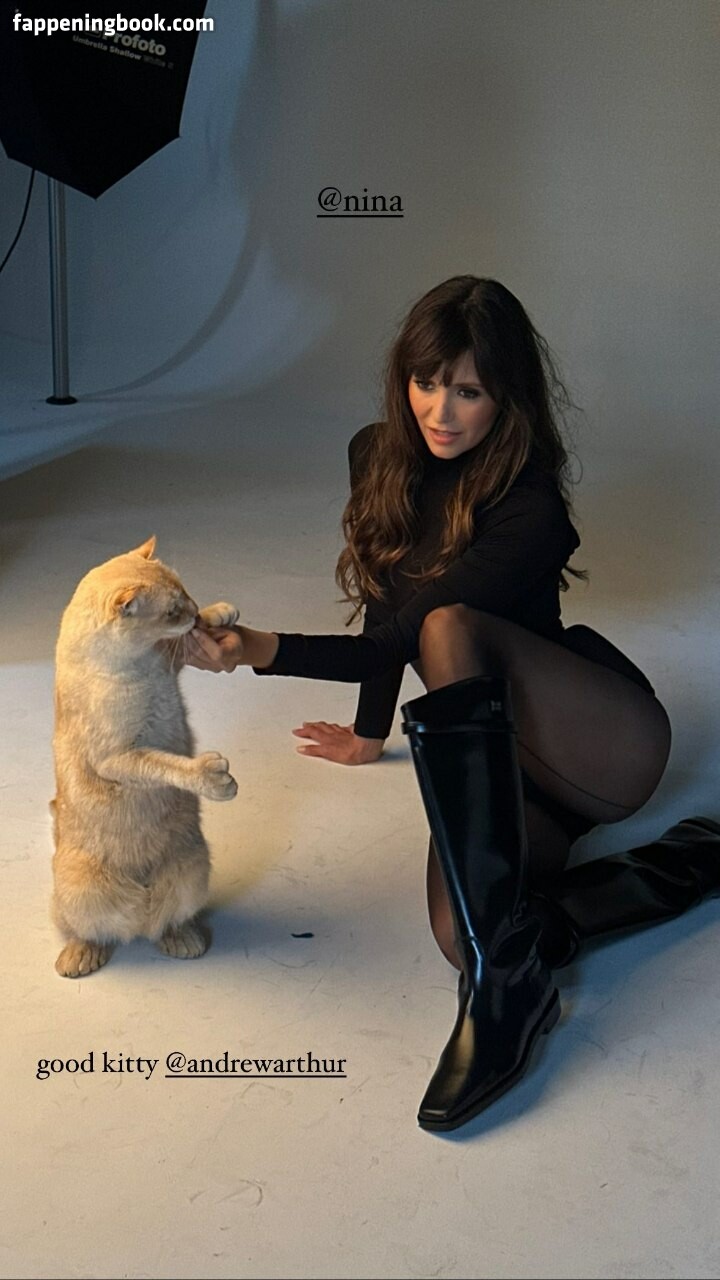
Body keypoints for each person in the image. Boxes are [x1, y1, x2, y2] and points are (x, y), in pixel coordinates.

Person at [185, 276, 720, 1133]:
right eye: (426, 382)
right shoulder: (377, 456)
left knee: (448, 627)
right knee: (461, 932)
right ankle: (677, 867)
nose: (440, 411)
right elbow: (384, 603)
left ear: (506, 397)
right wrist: (369, 734)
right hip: (507, 756)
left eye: (468, 391)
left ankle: (504, 998)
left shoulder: (531, 506)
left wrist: (258, 649)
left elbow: (408, 637)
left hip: (599, 739)